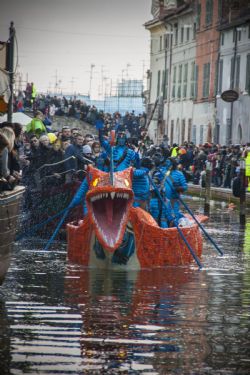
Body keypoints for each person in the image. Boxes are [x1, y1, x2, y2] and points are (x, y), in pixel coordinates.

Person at [162, 157, 188, 222]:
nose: (166, 164)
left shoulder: (179, 174)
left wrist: (178, 188)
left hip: (173, 200)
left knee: (173, 217)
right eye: (166, 162)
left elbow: (185, 187)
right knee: (164, 216)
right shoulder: (163, 172)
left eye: (168, 162)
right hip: (163, 199)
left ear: (172, 164)